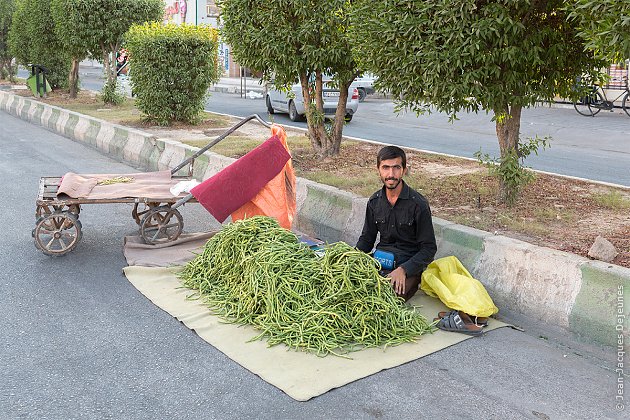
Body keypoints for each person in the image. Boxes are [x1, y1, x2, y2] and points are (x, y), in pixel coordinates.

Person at [356, 146, 437, 301]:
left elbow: (429, 248)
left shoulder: (418, 204)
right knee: (353, 291)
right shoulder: (374, 202)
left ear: (404, 170)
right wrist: (349, 259)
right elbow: (367, 239)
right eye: (385, 168)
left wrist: (405, 269)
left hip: (407, 267)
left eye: (396, 168)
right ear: (378, 170)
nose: (391, 174)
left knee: (387, 299)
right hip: (379, 262)